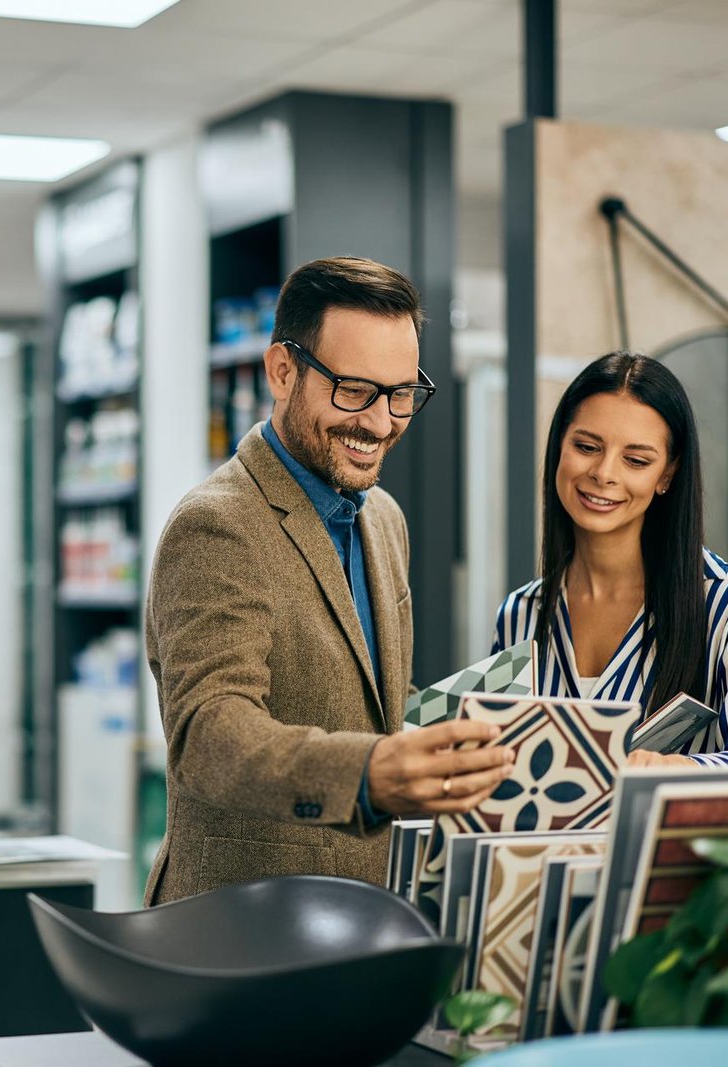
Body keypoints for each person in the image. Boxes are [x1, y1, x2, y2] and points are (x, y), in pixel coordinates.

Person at [144, 256, 514, 906]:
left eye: (401, 394)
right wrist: (369, 773)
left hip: (363, 912)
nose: (380, 422)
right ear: (282, 372)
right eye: (354, 389)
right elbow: (209, 732)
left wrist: (476, 731)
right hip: (241, 925)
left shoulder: (383, 519)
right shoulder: (219, 525)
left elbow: (369, 703)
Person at [493, 351, 728, 766]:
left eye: (636, 461)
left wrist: (674, 768)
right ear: (559, 445)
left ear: (666, 474)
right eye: (586, 447)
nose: (604, 473)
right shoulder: (519, 615)